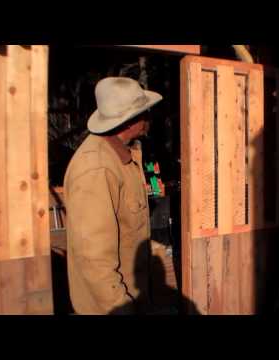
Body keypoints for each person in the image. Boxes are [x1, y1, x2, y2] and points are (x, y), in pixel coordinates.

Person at [63, 77, 162, 315]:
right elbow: (95, 260)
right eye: (144, 111)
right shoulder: (97, 169)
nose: (148, 116)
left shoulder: (121, 156)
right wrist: (123, 309)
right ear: (129, 121)